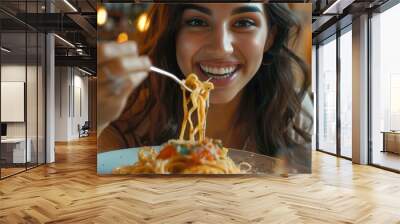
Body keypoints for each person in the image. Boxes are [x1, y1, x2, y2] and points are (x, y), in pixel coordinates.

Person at [97, 3, 313, 172]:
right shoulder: (129, 112)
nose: (221, 47)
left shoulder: (293, 112)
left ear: (270, 37)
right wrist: (98, 119)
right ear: (173, 34)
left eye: (245, 22)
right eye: (197, 22)